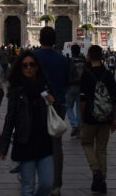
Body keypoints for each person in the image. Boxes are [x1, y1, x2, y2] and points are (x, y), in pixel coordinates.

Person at [0, 51, 54, 196]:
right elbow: (9, 120)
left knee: (47, 184)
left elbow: (57, 113)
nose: (28, 68)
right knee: (28, 187)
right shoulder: (16, 91)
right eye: (25, 65)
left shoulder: (46, 87)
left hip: (44, 142)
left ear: (37, 67)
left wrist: (53, 102)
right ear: (20, 68)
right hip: (25, 142)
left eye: (32, 65)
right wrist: (3, 147)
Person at [33, 26, 69, 195]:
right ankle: (56, 184)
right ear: (55, 41)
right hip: (58, 105)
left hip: (35, 105)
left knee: (33, 140)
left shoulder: (32, 58)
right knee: (56, 144)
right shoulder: (63, 59)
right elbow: (70, 82)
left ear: (39, 40)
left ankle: (32, 178)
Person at [80, 44, 116, 194]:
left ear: (89, 56)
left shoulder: (86, 73)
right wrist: (114, 119)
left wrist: (82, 117)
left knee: (86, 142)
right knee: (102, 149)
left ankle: (96, 172)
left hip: (90, 116)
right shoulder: (108, 74)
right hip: (106, 117)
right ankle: (101, 181)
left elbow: (82, 99)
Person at [66, 43, 86, 138]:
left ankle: (74, 124)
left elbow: (66, 74)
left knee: (68, 106)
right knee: (79, 109)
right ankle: (78, 132)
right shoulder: (84, 61)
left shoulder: (69, 61)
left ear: (71, 51)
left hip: (71, 86)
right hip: (81, 87)